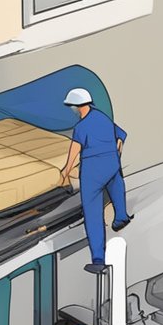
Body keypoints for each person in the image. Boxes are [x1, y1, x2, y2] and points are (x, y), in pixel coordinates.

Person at [58, 88, 132, 275]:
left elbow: (74, 152)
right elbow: (121, 135)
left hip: (93, 170)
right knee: (116, 184)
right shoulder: (103, 117)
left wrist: (65, 172)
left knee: (92, 214)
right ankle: (121, 216)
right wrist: (116, 151)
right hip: (111, 162)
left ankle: (98, 260)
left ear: (76, 106)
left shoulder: (81, 127)